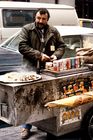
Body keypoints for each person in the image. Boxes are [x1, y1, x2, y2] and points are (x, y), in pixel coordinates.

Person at [18, 8, 66, 139]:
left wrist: (56, 56)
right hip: (30, 69)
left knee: (47, 97)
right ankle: (25, 127)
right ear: (35, 17)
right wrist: (39, 55)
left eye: (43, 19)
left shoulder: (53, 31)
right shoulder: (27, 29)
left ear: (47, 19)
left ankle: (47, 126)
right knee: (29, 98)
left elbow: (62, 46)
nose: (40, 21)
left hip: (48, 70)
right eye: (38, 18)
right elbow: (22, 46)